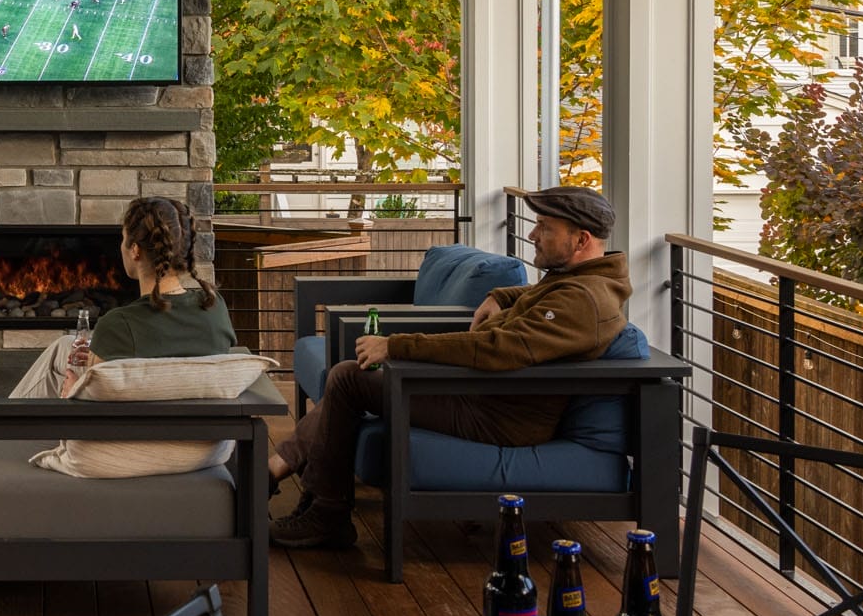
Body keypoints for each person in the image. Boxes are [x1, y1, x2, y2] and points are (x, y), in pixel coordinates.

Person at [266, 186, 633, 550]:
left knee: (348, 378)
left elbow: (498, 348)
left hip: (497, 417)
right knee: (348, 377)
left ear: (581, 239)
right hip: (486, 396)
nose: (533, 235)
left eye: (544, 227)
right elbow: (535, 299)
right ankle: (296, 487)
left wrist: (396, 345)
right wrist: (499, 295)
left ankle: (320, 509)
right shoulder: (578, 280)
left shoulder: (584, 299)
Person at [10, 195, 233, 397]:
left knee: (60, 369)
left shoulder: (119, 325)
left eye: (122, 237)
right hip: (204, 437)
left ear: (135, 250)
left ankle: (4, 424)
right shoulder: (215, 308)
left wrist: (75, 391)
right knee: (65, 346)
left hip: (127, 438)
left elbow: (97, 406)